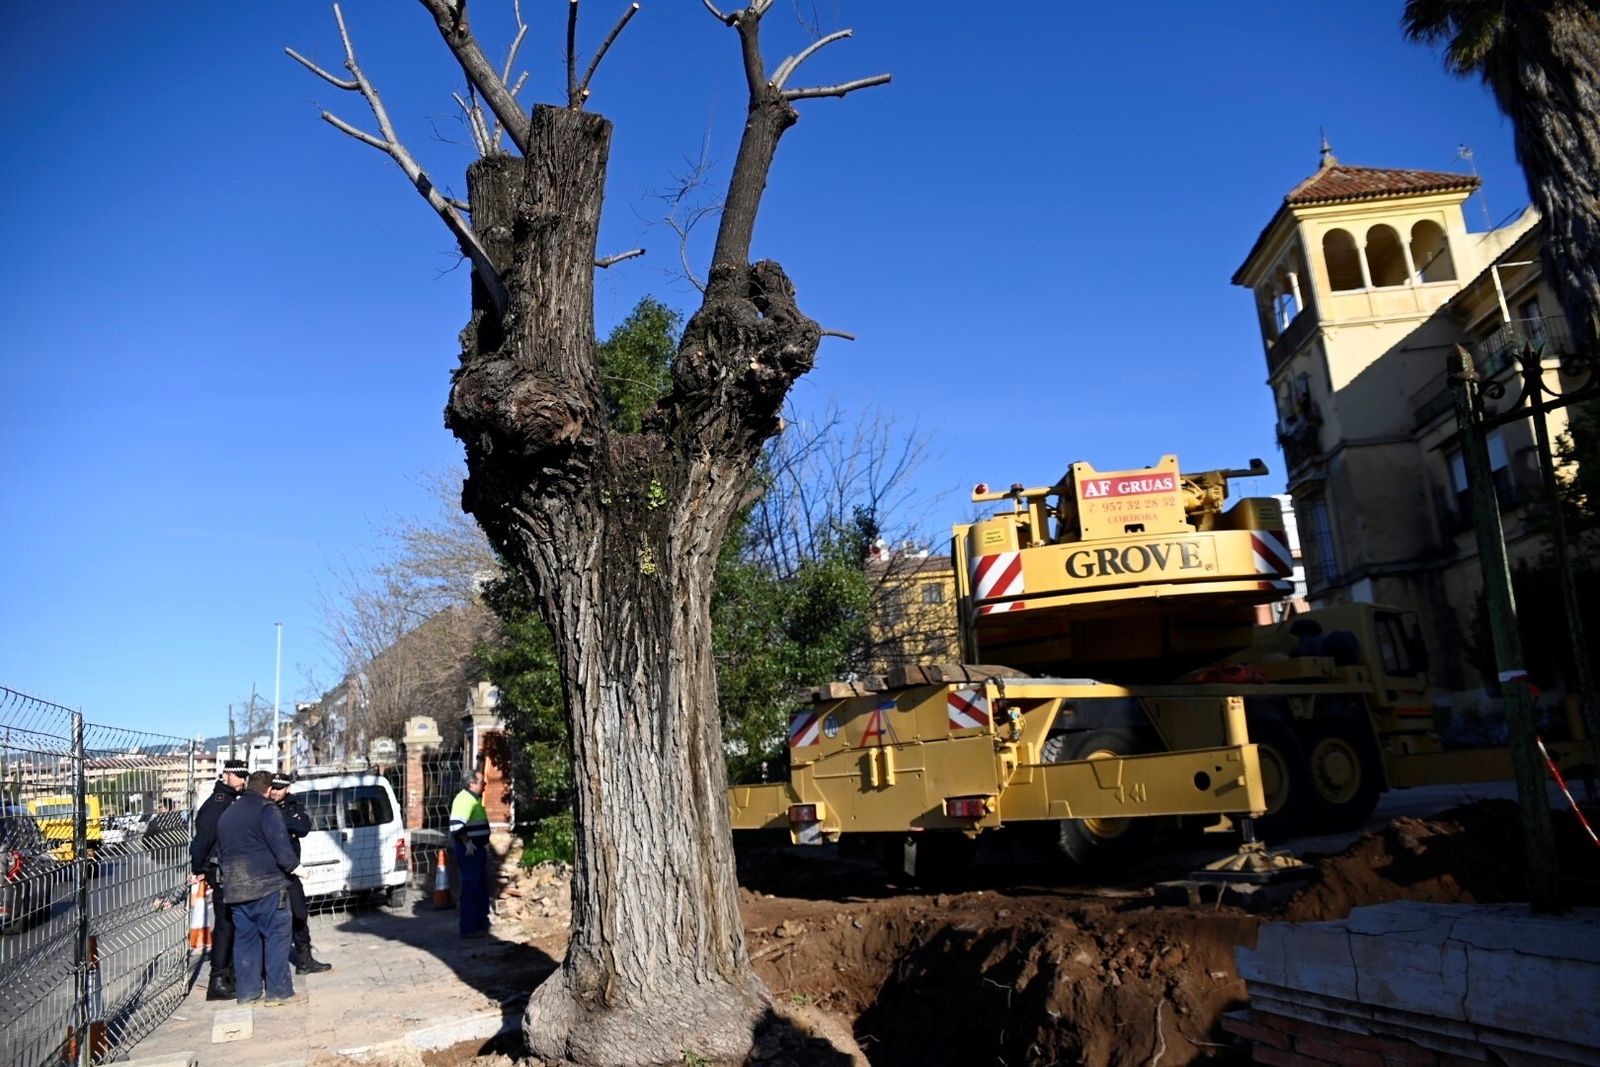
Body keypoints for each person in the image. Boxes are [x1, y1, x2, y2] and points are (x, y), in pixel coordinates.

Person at [218, 770, 301, 1006]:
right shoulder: (267, 810)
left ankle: (247, 993)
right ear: (268, 789)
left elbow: (222, 854)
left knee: (245, 942)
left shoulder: (228, 813)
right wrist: (294, 867)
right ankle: (278, 992)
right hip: (268, 887)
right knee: (276, 939)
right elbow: (280, 845)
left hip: (236, 890)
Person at [190, 758, 248, 1000]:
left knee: (233, 925)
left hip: (231, 871)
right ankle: (217, 981)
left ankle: (230, 976)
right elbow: (202, 842)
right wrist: (200, 869)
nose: (242, 780)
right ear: (226, 775)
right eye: (238, 776)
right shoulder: (218, 803)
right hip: (220, 872)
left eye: (245, 776)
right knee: (225, 926)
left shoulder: (232, 801)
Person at [268, 772, 331, 974]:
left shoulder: (294, 805)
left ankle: (305, 960)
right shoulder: (264, 806)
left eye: (279, 788)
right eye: (273, 788)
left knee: (300, 914)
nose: (275, 792)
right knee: (270, 918)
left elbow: (303, 827)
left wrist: (281, 822)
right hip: (270, 872)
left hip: (291, 871)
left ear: (287, 789)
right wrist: (288, 824)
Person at [448, 770, 491, 938]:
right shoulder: (464, 799)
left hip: (476, 849)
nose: (484, 784)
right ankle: (469, 927)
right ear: (472, 784)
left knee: (480, 888)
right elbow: (456, 825)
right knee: (471, 888)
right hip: (469, 851)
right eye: (481, 781)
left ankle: (480, 924)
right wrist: (467, 842)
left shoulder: (474, 799)